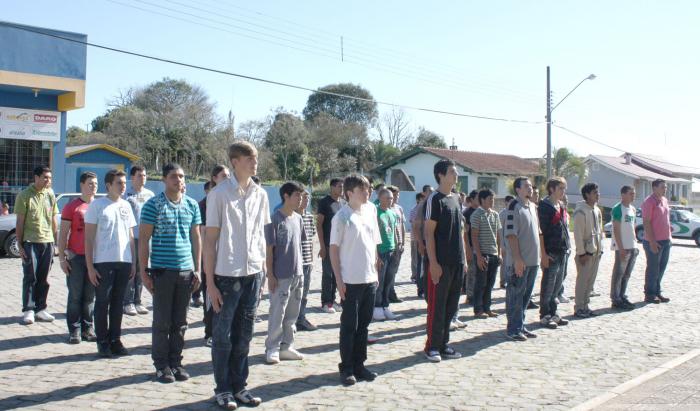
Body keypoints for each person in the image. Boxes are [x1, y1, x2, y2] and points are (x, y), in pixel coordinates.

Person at [204, 141, 267, 409]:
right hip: (226, 276)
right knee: (222, 337)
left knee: (245, 336)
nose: (255, 162)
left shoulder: (260, 194)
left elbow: (261, 236)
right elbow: (210, 241)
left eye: (256, 158)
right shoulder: (219, 195)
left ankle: (240, 386)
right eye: (249, 158)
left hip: (253, 273)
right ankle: (223, 389)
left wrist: (263, 272)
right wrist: (210, 283)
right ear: (235, 161)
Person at [139, 163, 202, 383]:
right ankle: (161, 365)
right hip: (162, 271)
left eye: (182, 176)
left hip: (185, 272)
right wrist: (143, 272)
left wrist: (198, 268)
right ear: (164, 179)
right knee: (162, 322)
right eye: (174, 176)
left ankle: (176, 362)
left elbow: (196, 238)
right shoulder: (152, 205)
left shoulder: (192, 205)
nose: (179, 180)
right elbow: (144, 240)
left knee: (180, 322)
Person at [329, 174, 381, 385]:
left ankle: (360, 365)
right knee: (350, 326)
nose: (367, 193)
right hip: (350, 280)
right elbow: (334, 250)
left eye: (368, 189)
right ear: (350, 193)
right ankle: (347, 367)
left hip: (369, 278)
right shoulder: (341, 217)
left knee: (364, 326)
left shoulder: (371, 210)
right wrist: (339, 281)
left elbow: (374, 241)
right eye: (362, 190)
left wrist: (376, 270)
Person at [84, 169, 137, 357]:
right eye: (119, 183)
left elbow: (131, 236)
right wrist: (90, 267)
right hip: (103, 262)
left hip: (124, 261)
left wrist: (134, 262)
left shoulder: (127, 206)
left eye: (124, 183)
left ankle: (116, 339)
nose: (123, 186)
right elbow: (89, 238)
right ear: (108, 185)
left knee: (117, 303)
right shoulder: (97, 206)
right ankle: (103, 341)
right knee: (102, 302)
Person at [424, 159, 466, 362]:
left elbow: (460, 231)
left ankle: (444, 344)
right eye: (452, 171)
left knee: (451, 306)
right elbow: (429, 233)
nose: (456, 175)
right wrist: (433, 263)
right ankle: (431, 346)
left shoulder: (457, 199)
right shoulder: (434, 199)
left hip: (457, 262)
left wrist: (464, 260)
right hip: (440, 263)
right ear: (440, 175)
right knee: (437, 306)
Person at [264, 181, 307, 365]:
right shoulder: (273, 219)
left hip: (298, 274)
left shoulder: (298, 219)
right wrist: (270, 275)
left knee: (292, 314)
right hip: (280, 276)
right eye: (297, 195)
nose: (300, 199)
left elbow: (301, 245)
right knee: (277, 313)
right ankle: (272, 348)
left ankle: (286, 346)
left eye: (301, 195)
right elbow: (269, 250)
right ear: (286, 196)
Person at [58, 171, 99, 344]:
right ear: (82, 185)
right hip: (76, 257)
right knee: (75, 295)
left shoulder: (99, 206)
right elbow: (63, 234)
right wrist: (62, 258)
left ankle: (88, 328)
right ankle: (74, 330)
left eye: (96, 183)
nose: (94, 186)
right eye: (90, 183)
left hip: (95, 258)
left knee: (90, 296)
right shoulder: (72, 207)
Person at [15, 166, 59, 325]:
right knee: (30, 276)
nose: (48, 180)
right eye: (45, 177)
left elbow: (54, 218)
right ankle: (28, 309)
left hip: (47, 242)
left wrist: (56, 242)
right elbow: (19, 222)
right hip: (30, 242)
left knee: (44, 278)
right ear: (36, 177)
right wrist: (20, 245)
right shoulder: (24, 196)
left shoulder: (50, 194)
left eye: (50, 178)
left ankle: (41, 308)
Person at [504, 177, 543, 341]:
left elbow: (538, 232)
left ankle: (521, 325)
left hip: (533, 261)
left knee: (526, 296)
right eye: (526, 186)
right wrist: (517, 259)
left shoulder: (533, 207)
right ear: (517, 189)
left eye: (530, 186)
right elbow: (511, 235)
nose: (530, 188)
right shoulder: (514, 206)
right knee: (515, 295)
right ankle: (513, 328)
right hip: (519, 262)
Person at [193, 165, 230, 310]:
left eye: (229, 176)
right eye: (224, 176)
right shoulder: (205, 204)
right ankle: (210, 330)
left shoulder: (229, 200)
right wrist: (204, 257)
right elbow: (202, 233)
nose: (228, 179)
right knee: (211, 295)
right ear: (214, 179)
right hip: (210, 254)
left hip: (225, 256)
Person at [537, 177, 570, 329]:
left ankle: (553, 311)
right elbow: (541, 232)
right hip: (551, 251)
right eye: (561, 188)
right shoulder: (544, 206)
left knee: (558, 284)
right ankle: (545, 314)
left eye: (564, 188)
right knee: (548, 285)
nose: (563, 192)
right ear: (552, 189)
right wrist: (543, 253)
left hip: (562, 250)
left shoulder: (561, 205)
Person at [123, 165, 155, 316]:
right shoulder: (126, 195)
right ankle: (128, 301)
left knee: (143, 269)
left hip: (146, 239)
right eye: (139, 175)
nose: (143, 178)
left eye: (144, 175)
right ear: (132, 177)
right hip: (130, 238)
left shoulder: (150, 194)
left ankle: (138, 300)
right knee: (131, 269)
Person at [573, 183, 604, 318]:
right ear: (587, 195)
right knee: (582, 281)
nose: (598, 195)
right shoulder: (581, 211)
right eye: (594, 192)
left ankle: (586, 305)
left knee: (590, 282)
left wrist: (600, 248)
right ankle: (579, 307)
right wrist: (581, 253)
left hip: (596, 252)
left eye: (598, 192)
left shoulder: (596, 210)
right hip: (586, 253)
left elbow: (599, 231)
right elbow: (578, 234)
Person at [470, 189, 502, 319]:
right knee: (481, 283)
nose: (492, 201)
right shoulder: (477, 214)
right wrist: (478, 256)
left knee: (490, 283)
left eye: (493, 199)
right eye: (490, 199)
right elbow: (474, 236)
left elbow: (498, 236)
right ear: (482, 200)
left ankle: (487, 307)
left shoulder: (495, 214)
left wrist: (499, 254)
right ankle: (478, 309)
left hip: (493, 253)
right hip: (482, 253)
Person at [642, 179, 672, 304]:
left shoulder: (664, 200)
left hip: (666, 240)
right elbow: (646, 222)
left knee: (661, 268)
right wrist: (653, 242)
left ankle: (657, 291)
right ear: (654, 188)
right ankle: (649, 294)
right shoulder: (648, 202)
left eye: (665, 187)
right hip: (654, 241)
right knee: (653, 269)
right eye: (662, 187)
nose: (665, 189)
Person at [317, 178, 344, 314]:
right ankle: (326, 302)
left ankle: (333, 300)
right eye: (339, 186)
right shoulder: (324, 202)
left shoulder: (342, 204)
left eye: (342, 187)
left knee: (337, 274)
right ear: (332, 187)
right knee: (328, 274)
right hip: (328, 245)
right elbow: (319, 224)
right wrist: (322, 246)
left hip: (339, 246)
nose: (342, 189)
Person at [610, 185, 638, 310]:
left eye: (634, 193)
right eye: (631, 193)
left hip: (632, 245)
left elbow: (632, 227)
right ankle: (615, 298)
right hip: (623, 246)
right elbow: (616, 229)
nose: (633, 195)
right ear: (623, 194)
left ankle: (622, 296)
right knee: (618, 274)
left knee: (627, 274)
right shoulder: (617, 209)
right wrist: (620, 248)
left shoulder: (632, 208)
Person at [373, 188, 399, 321]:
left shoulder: (392, 213)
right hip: (381, 251)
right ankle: (376, 306)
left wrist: (396, 245)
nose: (391, 200)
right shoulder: (375, 212)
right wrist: (376, 254)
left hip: (391, 250)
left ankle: (385, 305)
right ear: (380, 198)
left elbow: (394, 230)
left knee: (389, 280)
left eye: (392, 198)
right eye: (388, 198)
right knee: (380, 280)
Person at [296, 189, 318, 331]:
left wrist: (311, 260)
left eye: (308, 197)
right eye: (304, 197)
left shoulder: (309, 217)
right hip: (295, 263)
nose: (306, 200)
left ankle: (301, 318)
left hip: (307, 261)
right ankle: (290, 321)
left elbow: (311, 239)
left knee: (304, 294)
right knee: (294, 295)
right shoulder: (292, 216)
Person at [412, 185, 434, 299]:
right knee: (422, 267)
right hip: (423, 242)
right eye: (429, 191)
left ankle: (427, 288)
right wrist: (420, 243)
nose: (432, 193)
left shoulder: (433, 204)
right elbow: (416, 226)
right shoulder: (422, 206)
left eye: (432, 191)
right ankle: (421, 289)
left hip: (432, 242)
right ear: (424, 193)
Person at [386, 185, 405, 304]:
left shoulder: (399, 208)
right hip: (389, 244)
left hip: (399, 243)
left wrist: (402, 241)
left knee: (394, 270)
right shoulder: (386, 209)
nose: (396, 197)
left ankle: (391, 291)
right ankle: (388, 293)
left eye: (397, 195)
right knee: (388, 271)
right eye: (394, 195)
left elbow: (402, 225)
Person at [462, 190, 479, 305]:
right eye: (477, 198)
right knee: (471, 273)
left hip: (480, 247)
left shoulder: (482, 212)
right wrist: (467, 248)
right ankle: (470, 295)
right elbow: (465, 233)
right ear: (471, 200)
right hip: (471, 247)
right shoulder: (467, 213)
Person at [498, 195, 515, 289]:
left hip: (512, 243)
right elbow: (500, 230)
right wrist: (502, 245)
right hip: (504, 242)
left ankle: (509, 280)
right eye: (510, 201)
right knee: (504, 263)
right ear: (506, 202)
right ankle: (502, 281)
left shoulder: (514, 212)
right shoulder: (502, 214)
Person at [409, 192, 425, 285]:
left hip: (421, 238)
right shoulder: (414, 209)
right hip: (415, 238)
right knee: (415, 258)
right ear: (418, 199)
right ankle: (414, 275)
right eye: (422, 198)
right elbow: (413, 223)